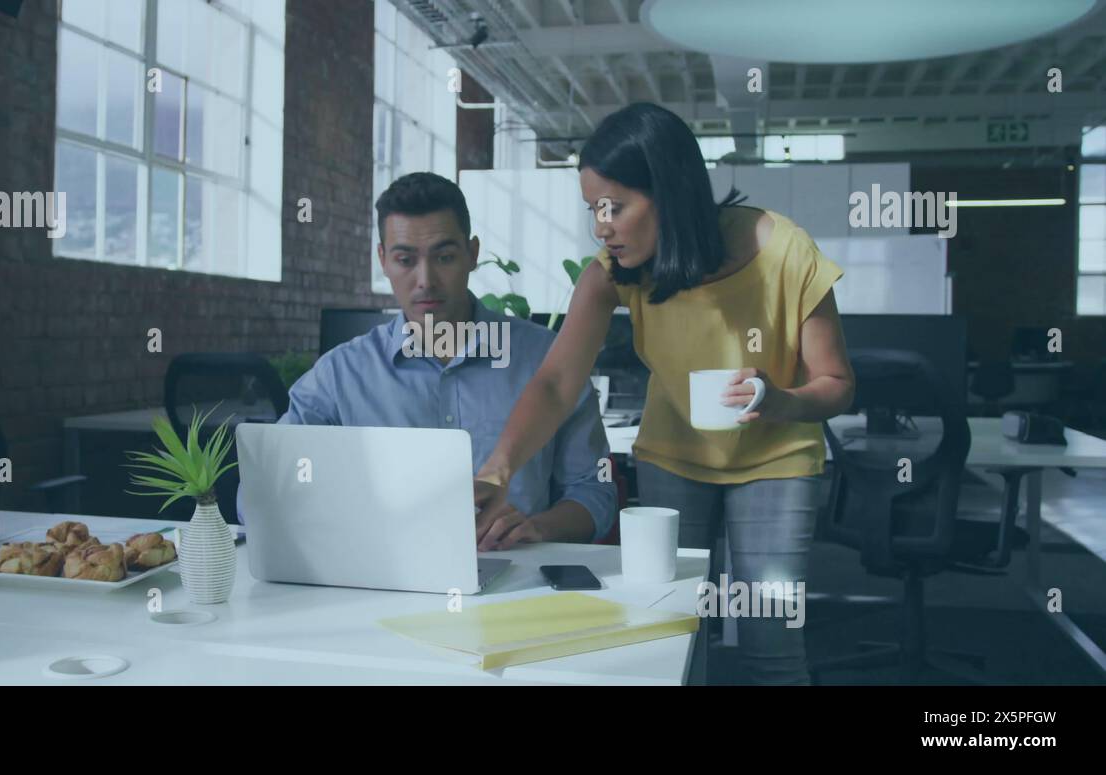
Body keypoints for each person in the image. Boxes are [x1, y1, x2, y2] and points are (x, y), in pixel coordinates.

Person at [472, 104, 855, 684]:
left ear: (669, 192)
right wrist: (498, 468)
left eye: (616, 207)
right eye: (593, 209)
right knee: (673, 637)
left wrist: (779, 400)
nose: (600, 226)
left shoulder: (784, 252)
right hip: (673, 461)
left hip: (777, 463)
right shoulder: (613, 272)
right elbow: (555, 383)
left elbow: (837, 384)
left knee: (771, 646)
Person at [240, 172, 616, 545]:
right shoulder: (340, 377)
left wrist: (538, 528)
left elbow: (594, 490)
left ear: (472, 254)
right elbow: (262, 491)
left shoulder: (550, 360)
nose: (426, 280)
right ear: (383, 260)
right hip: (379, 580)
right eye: (405, 260)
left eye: (445, 257)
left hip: (516, 574)